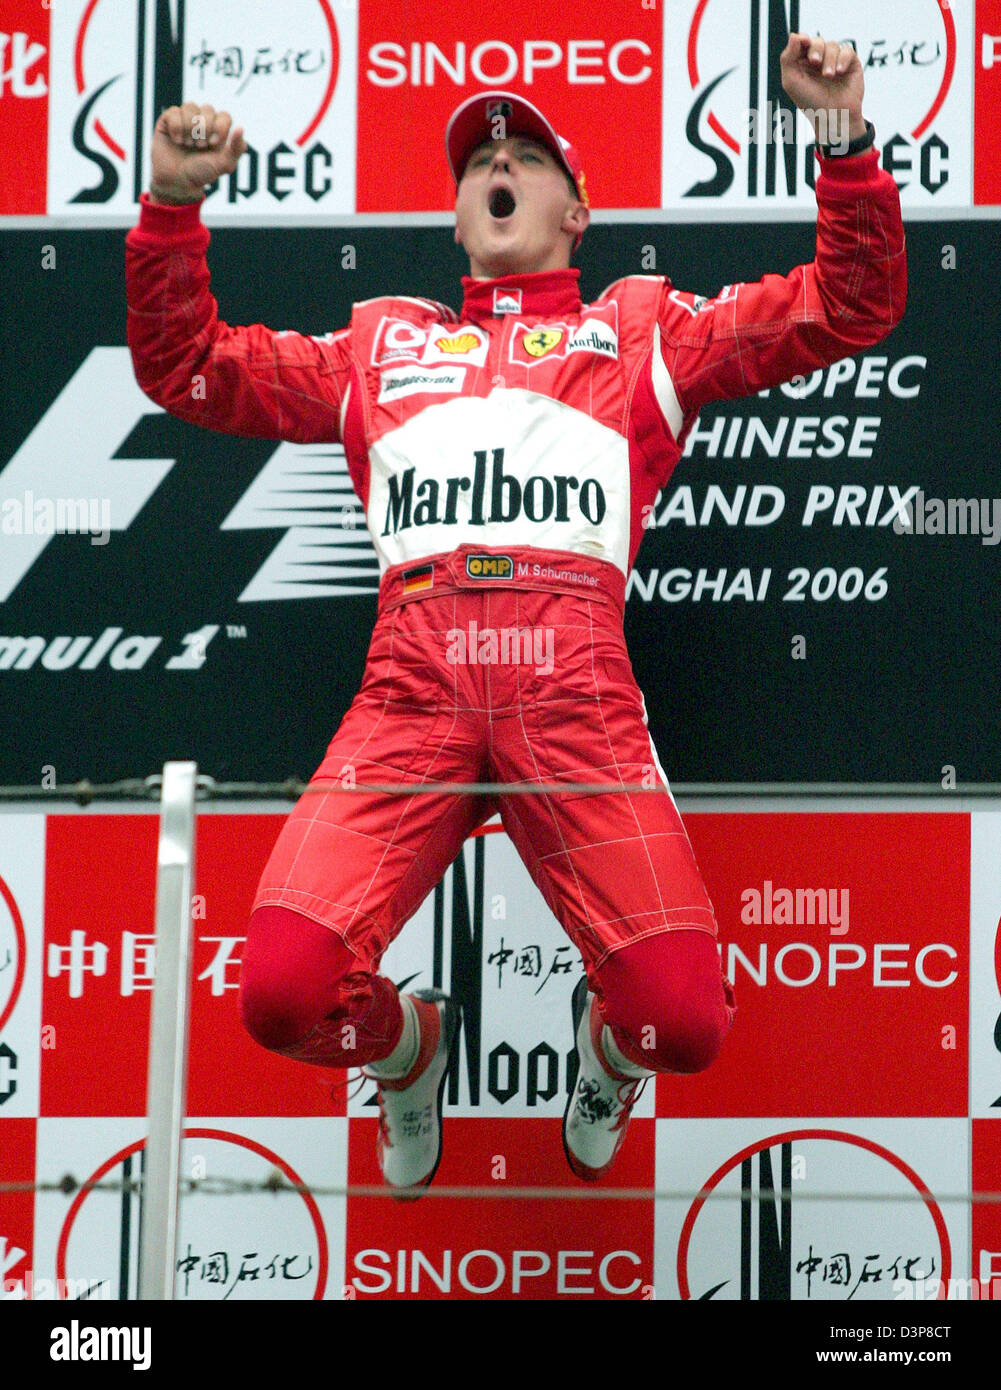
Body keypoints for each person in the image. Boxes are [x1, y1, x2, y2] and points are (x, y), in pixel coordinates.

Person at [126, 35, 906, 1197]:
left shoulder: (639, 333)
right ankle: (407, 1053)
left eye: (525, 154)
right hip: (413, 687)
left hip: (572, 687)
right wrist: (172, 210)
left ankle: (604, 1052)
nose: (496, 162)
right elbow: (184, 366)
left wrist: (838, 135)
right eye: (477, 158)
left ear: (576, 209)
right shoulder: (379, 347)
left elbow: (848, 304)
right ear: (454, 219)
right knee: (281, 993)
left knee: (681, 1021)